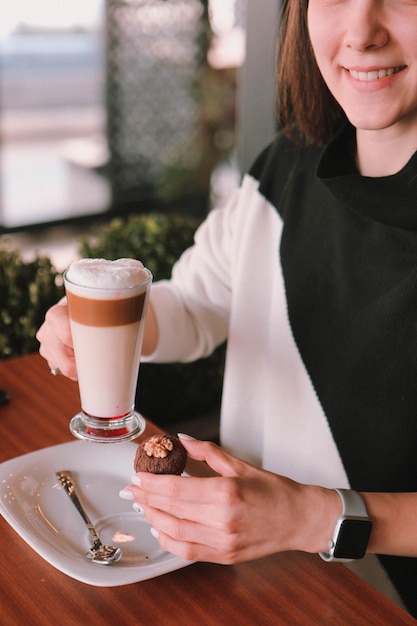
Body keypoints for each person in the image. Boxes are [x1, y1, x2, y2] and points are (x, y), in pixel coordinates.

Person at [37, 0, 417, 616]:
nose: (362, 32)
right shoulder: (288, 162)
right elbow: (197, 301)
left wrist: (313, 519)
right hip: (249, 576)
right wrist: (103, 329)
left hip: (377, 600)